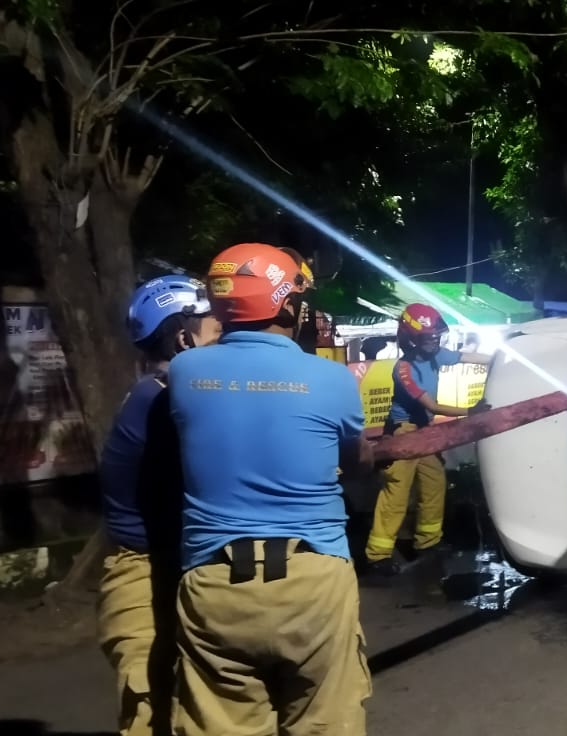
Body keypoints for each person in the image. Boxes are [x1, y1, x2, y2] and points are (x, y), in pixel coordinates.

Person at [167, 242, 371, 736]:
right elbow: (357, 461)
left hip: (214, 582)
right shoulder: (332, 379)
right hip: (313, 578)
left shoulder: (184, 372)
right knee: (325, 722)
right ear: (287, 304)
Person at [96, 275, 220, 736]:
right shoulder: (162, 402)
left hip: (171, 563)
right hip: (144, 573)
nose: (226, 333)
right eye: (216, 326)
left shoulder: (168, 393)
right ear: (184, 337)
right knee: (151, 705)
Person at [362, 303, 490, 577]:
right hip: (404, 433)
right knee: (396, 494)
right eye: (428, 338)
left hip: (426, 431)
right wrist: (471, 411)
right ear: (411, 339)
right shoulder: (404, 369)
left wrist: (505, 358)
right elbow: (431, 406)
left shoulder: (437, 356)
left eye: (436, 336)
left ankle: (428, 542)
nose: (434, 342)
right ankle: (378, 555)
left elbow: (468, 357)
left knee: (434, 484)